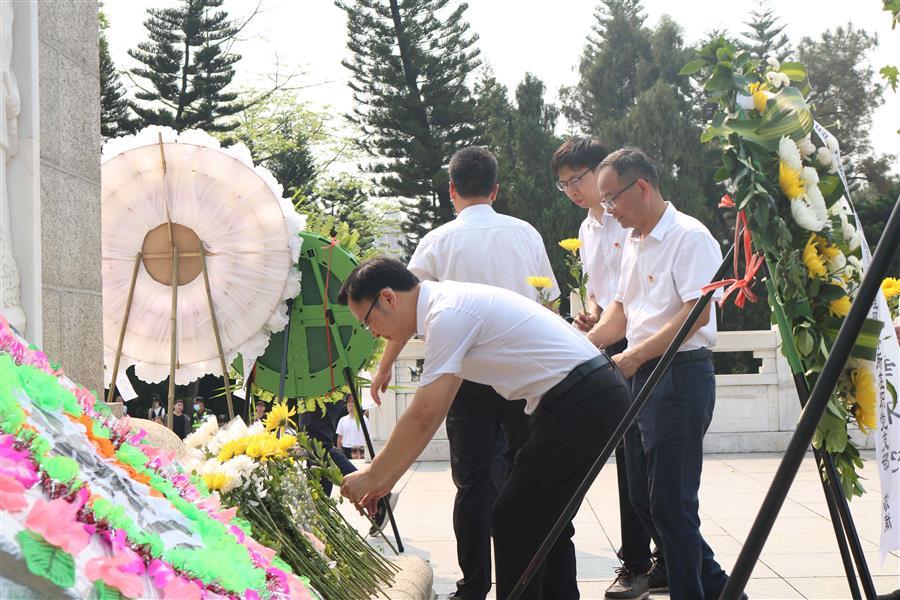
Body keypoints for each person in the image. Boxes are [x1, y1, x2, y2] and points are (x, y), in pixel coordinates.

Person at [338, 257, 632, 600]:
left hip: (581, 400)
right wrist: (384, 480)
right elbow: (436, 410)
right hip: (584, 396)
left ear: (388, 298)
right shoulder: (447, 307)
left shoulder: (446, 314)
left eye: (367, 321)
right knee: (545, 523)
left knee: (514, 519)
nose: (373, 333)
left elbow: (423, 413)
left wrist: (373, 474)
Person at [370, 146, 561, 600]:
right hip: (522, 376)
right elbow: (549, 304)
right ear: (495, 189)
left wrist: (384, 366)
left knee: (473, 484)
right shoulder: (526, 234)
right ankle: (525, 584)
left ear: (451, 190)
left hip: (463, 377)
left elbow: (405, 310)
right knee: (523, 477)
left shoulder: (436, 241)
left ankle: (474, 586)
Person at [586, 147, 735, 600]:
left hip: (678, 376)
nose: (608, 209)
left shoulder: (689, 236)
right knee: (644, 502)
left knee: (672, 505)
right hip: (639, 378)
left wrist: (634, 357)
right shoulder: (633, 241)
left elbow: (697, 314)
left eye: (612, 199)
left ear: (643, 188)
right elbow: (619, 311)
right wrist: (581, 349)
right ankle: (724, 591)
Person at [551, 137, 665, 599]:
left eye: (577, 179)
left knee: (648, 457)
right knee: (628, 458)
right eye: (564, 185)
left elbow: (636, 289)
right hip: (610, 333)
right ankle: (642, 559)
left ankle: (655, 559)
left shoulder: (629, 217)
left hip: (641, 337)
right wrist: (591, 314)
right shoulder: (589, 227)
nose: (574, 190)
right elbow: (602, 290)